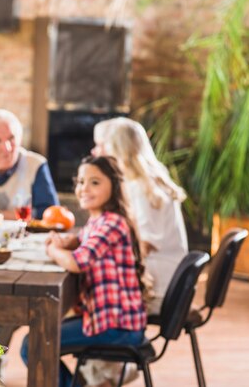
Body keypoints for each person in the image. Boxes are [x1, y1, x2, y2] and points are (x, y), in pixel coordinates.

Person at [78, 117, 188, 387]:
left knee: (90, 295)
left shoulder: (140, 187)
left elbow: (143, 245)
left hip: (158, 288)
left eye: (100, 145)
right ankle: (100, 373)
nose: (94, 152)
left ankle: (103, 373)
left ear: (117, 149)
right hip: (170, 280)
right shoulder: (150, 177)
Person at [20, 156, 147, 387]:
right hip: (111, 321)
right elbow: (83, 242)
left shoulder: (112, 223)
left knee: (34, 343)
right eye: (80, 182)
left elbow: (78, 262)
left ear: (114, 186)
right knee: (37, 339)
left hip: (117, 326)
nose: (84, 189)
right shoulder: (97, 221)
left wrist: (52, 249)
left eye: (95, 182)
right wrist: (69, 242)